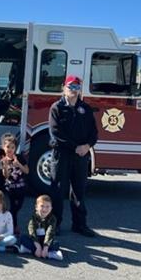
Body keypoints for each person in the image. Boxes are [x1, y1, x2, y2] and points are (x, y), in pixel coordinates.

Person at [48, 75, 98, 237]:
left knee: (79, 191)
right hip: (62, 154)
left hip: (81, 156)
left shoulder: (86, 108)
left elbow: (94, 132)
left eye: (77, 87)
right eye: (71, 87)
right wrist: (75, 147)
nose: (74, 91)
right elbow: (56, 133)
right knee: (57, 190)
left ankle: (80, 224)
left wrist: (87, 146)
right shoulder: (56, 108)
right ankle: (54, 224)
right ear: (64, 88)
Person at [18, 195, 63, 261]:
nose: (44, 209)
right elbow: (32, 232)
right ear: (36, 207)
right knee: (22, 238)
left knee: (56, 244)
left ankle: (32, 251)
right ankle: (48, 254)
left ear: (51, 208)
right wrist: (38, 247)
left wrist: (45, 247)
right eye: (42, 206)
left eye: (47, 206)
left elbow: (50, 233)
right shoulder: (33, 218)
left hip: (46, 241)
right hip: (35, 241)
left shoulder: (53, 218)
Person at [0, 133, 29, 232]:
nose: (10, 149)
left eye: (12, 147)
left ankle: (9, 223)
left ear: (15, 148)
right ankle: (14, 226)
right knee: (13, 208)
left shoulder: (19, 157)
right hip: (10, 188)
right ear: (3, 147)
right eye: (7, 147)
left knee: (18, 207)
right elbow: (5, 176)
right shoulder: (3, 160)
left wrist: (18, 164)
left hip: (21, 188)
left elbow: (27, 171)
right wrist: (6, 166)